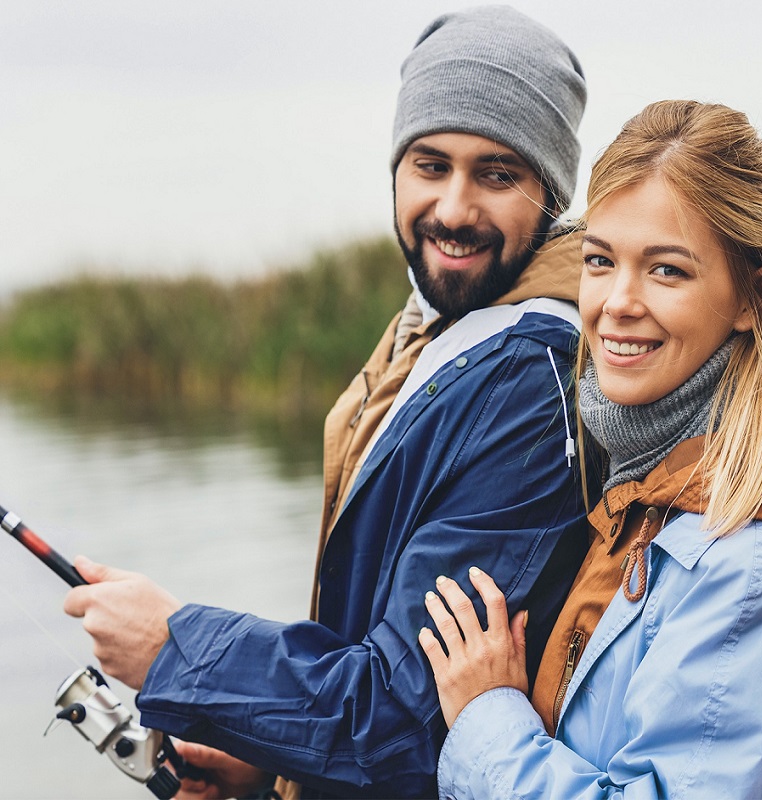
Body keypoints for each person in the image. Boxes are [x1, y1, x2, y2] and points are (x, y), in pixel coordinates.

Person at [63, 7, 592, 799]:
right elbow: (372, 648)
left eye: (497, 174)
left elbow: (406, 719)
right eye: (430, 163)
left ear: (551, 193)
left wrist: (179, 651)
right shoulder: (436, 326)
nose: (452, 209)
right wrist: (266, 756)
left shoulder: (528, 381)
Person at [419, 98, 762, 799]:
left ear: (753, 296)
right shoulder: (640, 484)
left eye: (666, 270)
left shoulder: (752, 563)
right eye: (601, 260)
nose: (616, 301)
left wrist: (486, 721)